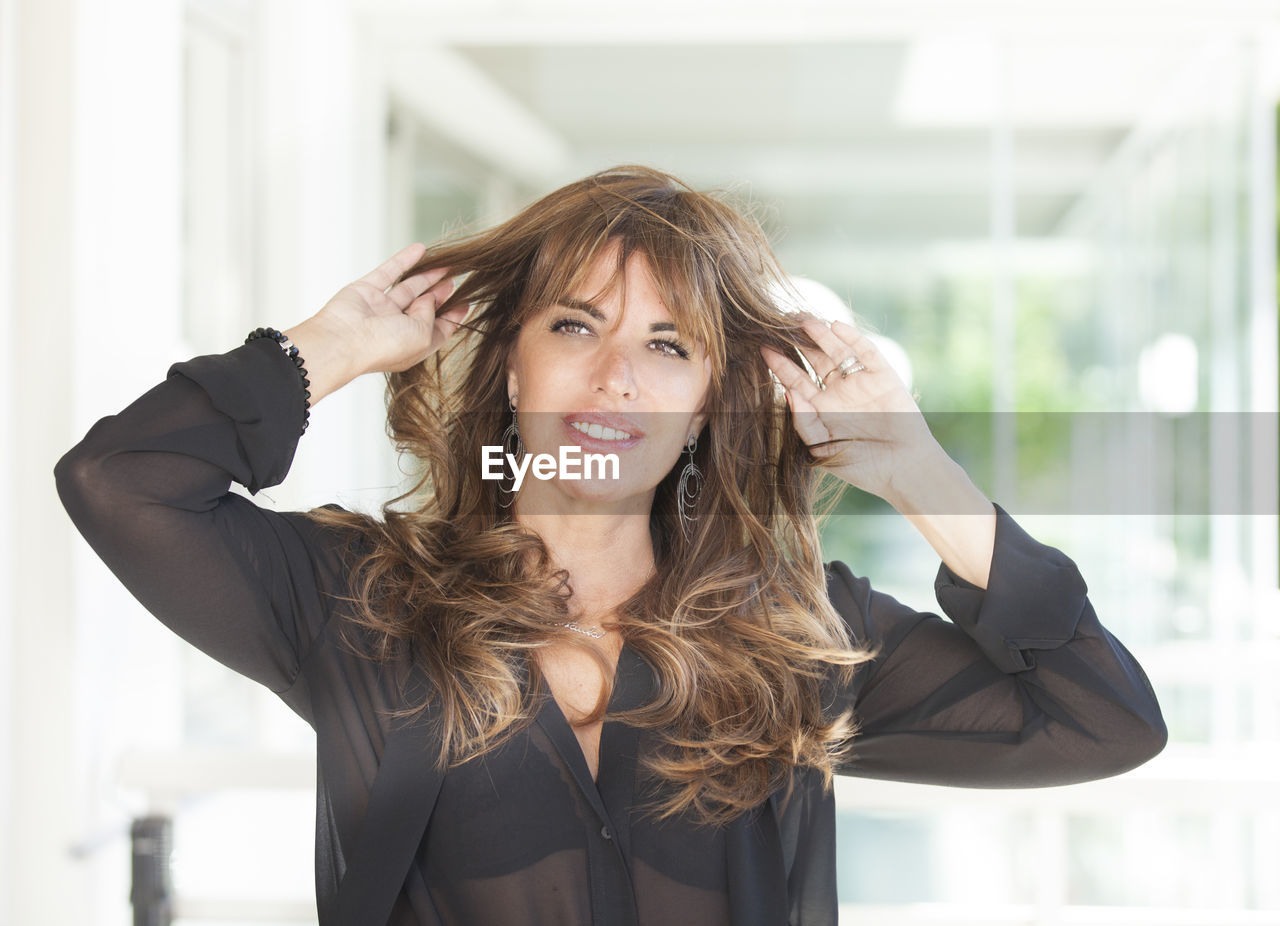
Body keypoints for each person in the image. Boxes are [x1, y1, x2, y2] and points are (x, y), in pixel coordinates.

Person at [55, 165, 1166, 926]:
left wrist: (915, 468)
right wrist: (329, 345)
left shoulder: (798, 636)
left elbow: (1100, 717)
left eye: (666, 345)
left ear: (703, 406)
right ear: (512, 367)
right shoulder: (361, 600)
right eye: (574, 326)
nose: (613, 379)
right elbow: (120, 481)